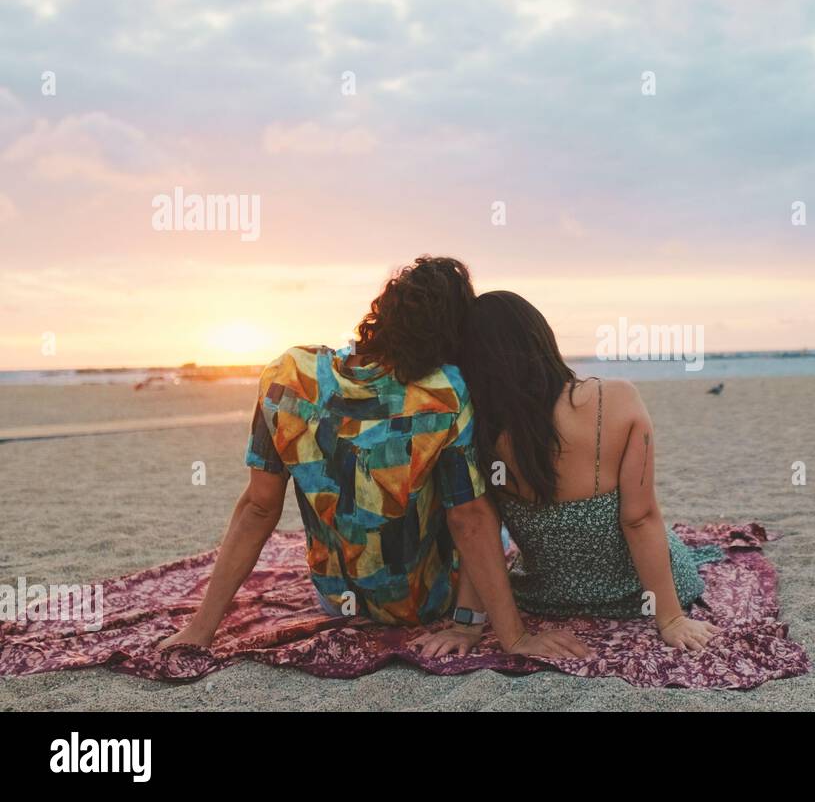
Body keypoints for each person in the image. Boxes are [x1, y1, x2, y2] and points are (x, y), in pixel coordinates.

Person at [159, 258, 588, 660]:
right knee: (484, 500)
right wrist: (514, 637)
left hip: (334, 598)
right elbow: (470, 520)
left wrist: (201, 628)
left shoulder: (287, 376)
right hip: (424, 602)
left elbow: (258, 507)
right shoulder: (443, 392)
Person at [456, 291, 722, 651]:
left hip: (545, 598)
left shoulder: (476, 429)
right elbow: (639, 518)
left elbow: (477, 530)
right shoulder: (617, 399)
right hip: (639, 598)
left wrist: (468, 625)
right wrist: (671, 619)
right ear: (542, 338)